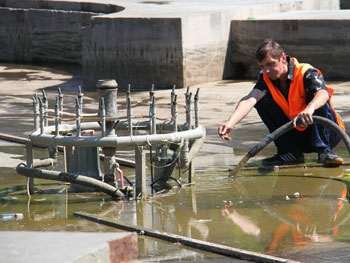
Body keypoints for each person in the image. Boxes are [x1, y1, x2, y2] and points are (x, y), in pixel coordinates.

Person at [218, 39, 345, 167]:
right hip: (298, 132)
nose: (266, 70)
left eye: (270, 64)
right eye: (262, 66)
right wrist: (231, 122)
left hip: (329, 132)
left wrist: (310, 108)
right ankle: (290, 153)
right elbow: (251, 98)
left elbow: (323, 94)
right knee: (262, 102)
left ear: (282, 58)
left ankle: (324, 151)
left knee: (317, 99)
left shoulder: (306, 72)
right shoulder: (266, 78)